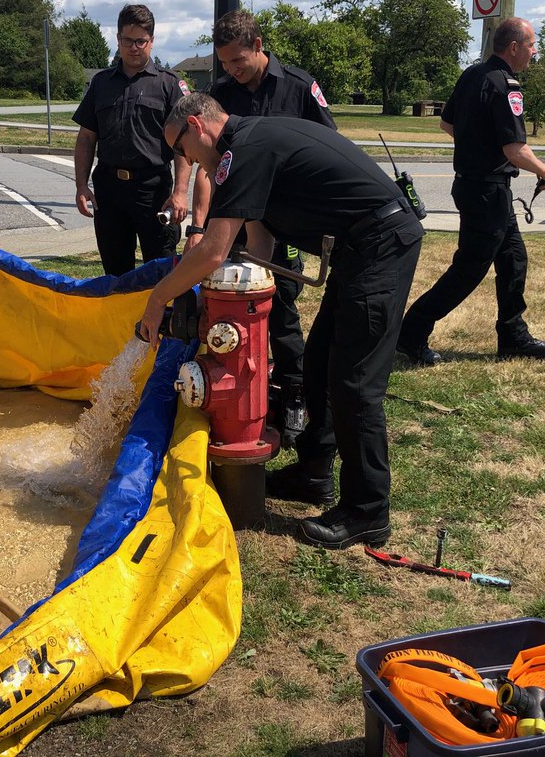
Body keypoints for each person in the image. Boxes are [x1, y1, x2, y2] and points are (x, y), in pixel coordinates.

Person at [138, 93, 424, 550]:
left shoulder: (243, 151)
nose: (185, 160)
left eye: (182, 148)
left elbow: (214, 247)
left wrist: (157, 302)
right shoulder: (248, 143)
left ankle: (368, 511)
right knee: (319, 364)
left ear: (197, 125)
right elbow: (261, 238)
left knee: (355, 383)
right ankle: (314, 473)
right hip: (361, 247)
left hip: (381, 243)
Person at [188, 9, 336, 452]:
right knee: (224, 300)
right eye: (225, 62)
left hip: (283, 216)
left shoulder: (298, 86)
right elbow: (205, 164)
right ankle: (231, 388)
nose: (232, 69)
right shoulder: (220, 93)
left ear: (258, 46)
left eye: (238, 60)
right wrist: (199, 226)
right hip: (234, 213)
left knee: (282, 307)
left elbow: (326, 145)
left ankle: (292, 394)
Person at [397, 17, 545, 365]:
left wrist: (479, 146)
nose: (534, 52)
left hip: (480, 189)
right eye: (531, 45)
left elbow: (447, 123)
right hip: (486, 192)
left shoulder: (472, 74)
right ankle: (411, 332)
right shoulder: (506, 85)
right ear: (514, 47)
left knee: (514, 259)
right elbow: (515, 150)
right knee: (469, 269)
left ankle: (513, 335)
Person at [73, 4, 191, 276]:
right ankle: (121, 321)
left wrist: (181, 192)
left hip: (154, 191)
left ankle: (160, 320)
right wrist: (81, 185)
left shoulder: (169, 84)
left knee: (160, 270)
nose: (134, 47)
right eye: (128, 40)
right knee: (115, 273)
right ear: (118, 39)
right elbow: (86, 139)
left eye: (141, 41)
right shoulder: (101, 84)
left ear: (152, 41)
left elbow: (184, 145)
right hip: (109, 190)